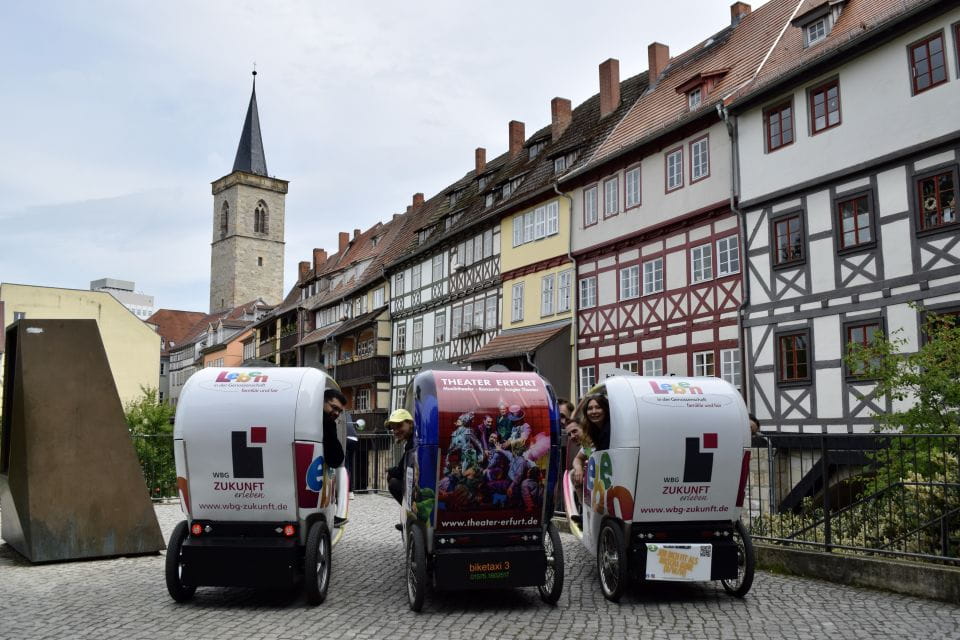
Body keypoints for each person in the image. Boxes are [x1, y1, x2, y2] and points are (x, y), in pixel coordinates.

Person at [570, 394, 611, 486]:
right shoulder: (589, 440)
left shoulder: (611, 429)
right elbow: (580, 458)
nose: (594, 411)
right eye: (590, 409)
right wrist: (578, 468)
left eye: (598, 407)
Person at [385, 408, 414, 506]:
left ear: (410, 423)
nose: (396, 431)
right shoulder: (412, 440)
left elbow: (401, 472)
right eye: (393, 428)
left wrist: (389, 470)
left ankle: (407, 508)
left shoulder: (412, 444)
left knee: (393, 482)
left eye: (399, 426)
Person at [323, 389, 347, 470]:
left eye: (339, 411)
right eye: (334, 407)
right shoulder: (328, 423)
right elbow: (335, 459)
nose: (337, 413)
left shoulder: (329, 423)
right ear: (323, 402)